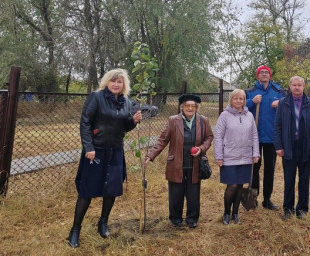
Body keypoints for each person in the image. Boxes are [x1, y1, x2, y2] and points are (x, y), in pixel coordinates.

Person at [67, 69, 142, 248]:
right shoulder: (97, 97)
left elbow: (123, 126)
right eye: (113, 81)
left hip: (115, 151)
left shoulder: (125, 102)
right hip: (96, 151)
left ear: (124, 85)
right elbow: (85, 121)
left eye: (120, 82)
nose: (116, 84)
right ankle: (75, 229)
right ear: (107, 82)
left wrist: (133, 121)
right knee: (87, 190)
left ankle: (103, 222)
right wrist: (89, 147)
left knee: (112, 190)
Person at [145, 94, 213, 229]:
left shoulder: (203, 120)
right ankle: (175, 218)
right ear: (182, 107)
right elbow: (162, 140)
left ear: (196, 108)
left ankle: (192, 218)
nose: (190, 108)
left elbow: (209, 137)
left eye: (193, 106)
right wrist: (151, 155)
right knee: (176, 192)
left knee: (193, 193)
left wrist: (201, 148)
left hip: (194, 163)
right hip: (176, 163)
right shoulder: (173, 120)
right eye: (187, 105)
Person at [274, 76, 310, 220]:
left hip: (305, 147)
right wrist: (279, 146)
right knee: (289, 180)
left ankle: (302, 209)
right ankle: (288, 209)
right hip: (288, 147)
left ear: (304, 86)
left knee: (304, 180)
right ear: (290, 86)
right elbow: (278, 126)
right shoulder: (283, 103)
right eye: (294, 85)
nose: (297, 87)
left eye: (299, 85)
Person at [214, 89, 260, 225]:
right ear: (231, 100)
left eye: (241, 99)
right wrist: (219, 156)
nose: (239, 101)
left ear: (244, 101)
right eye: (236, 98)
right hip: (229, 156)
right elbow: (218, 136)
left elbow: (254, 136)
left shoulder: (249, 115)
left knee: (240, 186)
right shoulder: (224, 116)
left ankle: (235, 213)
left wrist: (255, 153)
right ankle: (226, 213)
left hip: (245, 155)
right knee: (232, 186)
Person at [245, 65, 286, 210]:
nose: (264, 74)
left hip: (271, 137)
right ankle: (252, 197)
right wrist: (251, 102)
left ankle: (267, 199)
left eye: (266, 72)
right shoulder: (250, 92)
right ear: (257, 76)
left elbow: (289, 105)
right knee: (254, 168)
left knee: (270, 169)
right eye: (261, 72)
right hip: (254, 137)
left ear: (270, 75)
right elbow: (239, 106)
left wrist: (280, 103)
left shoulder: (278, 91)